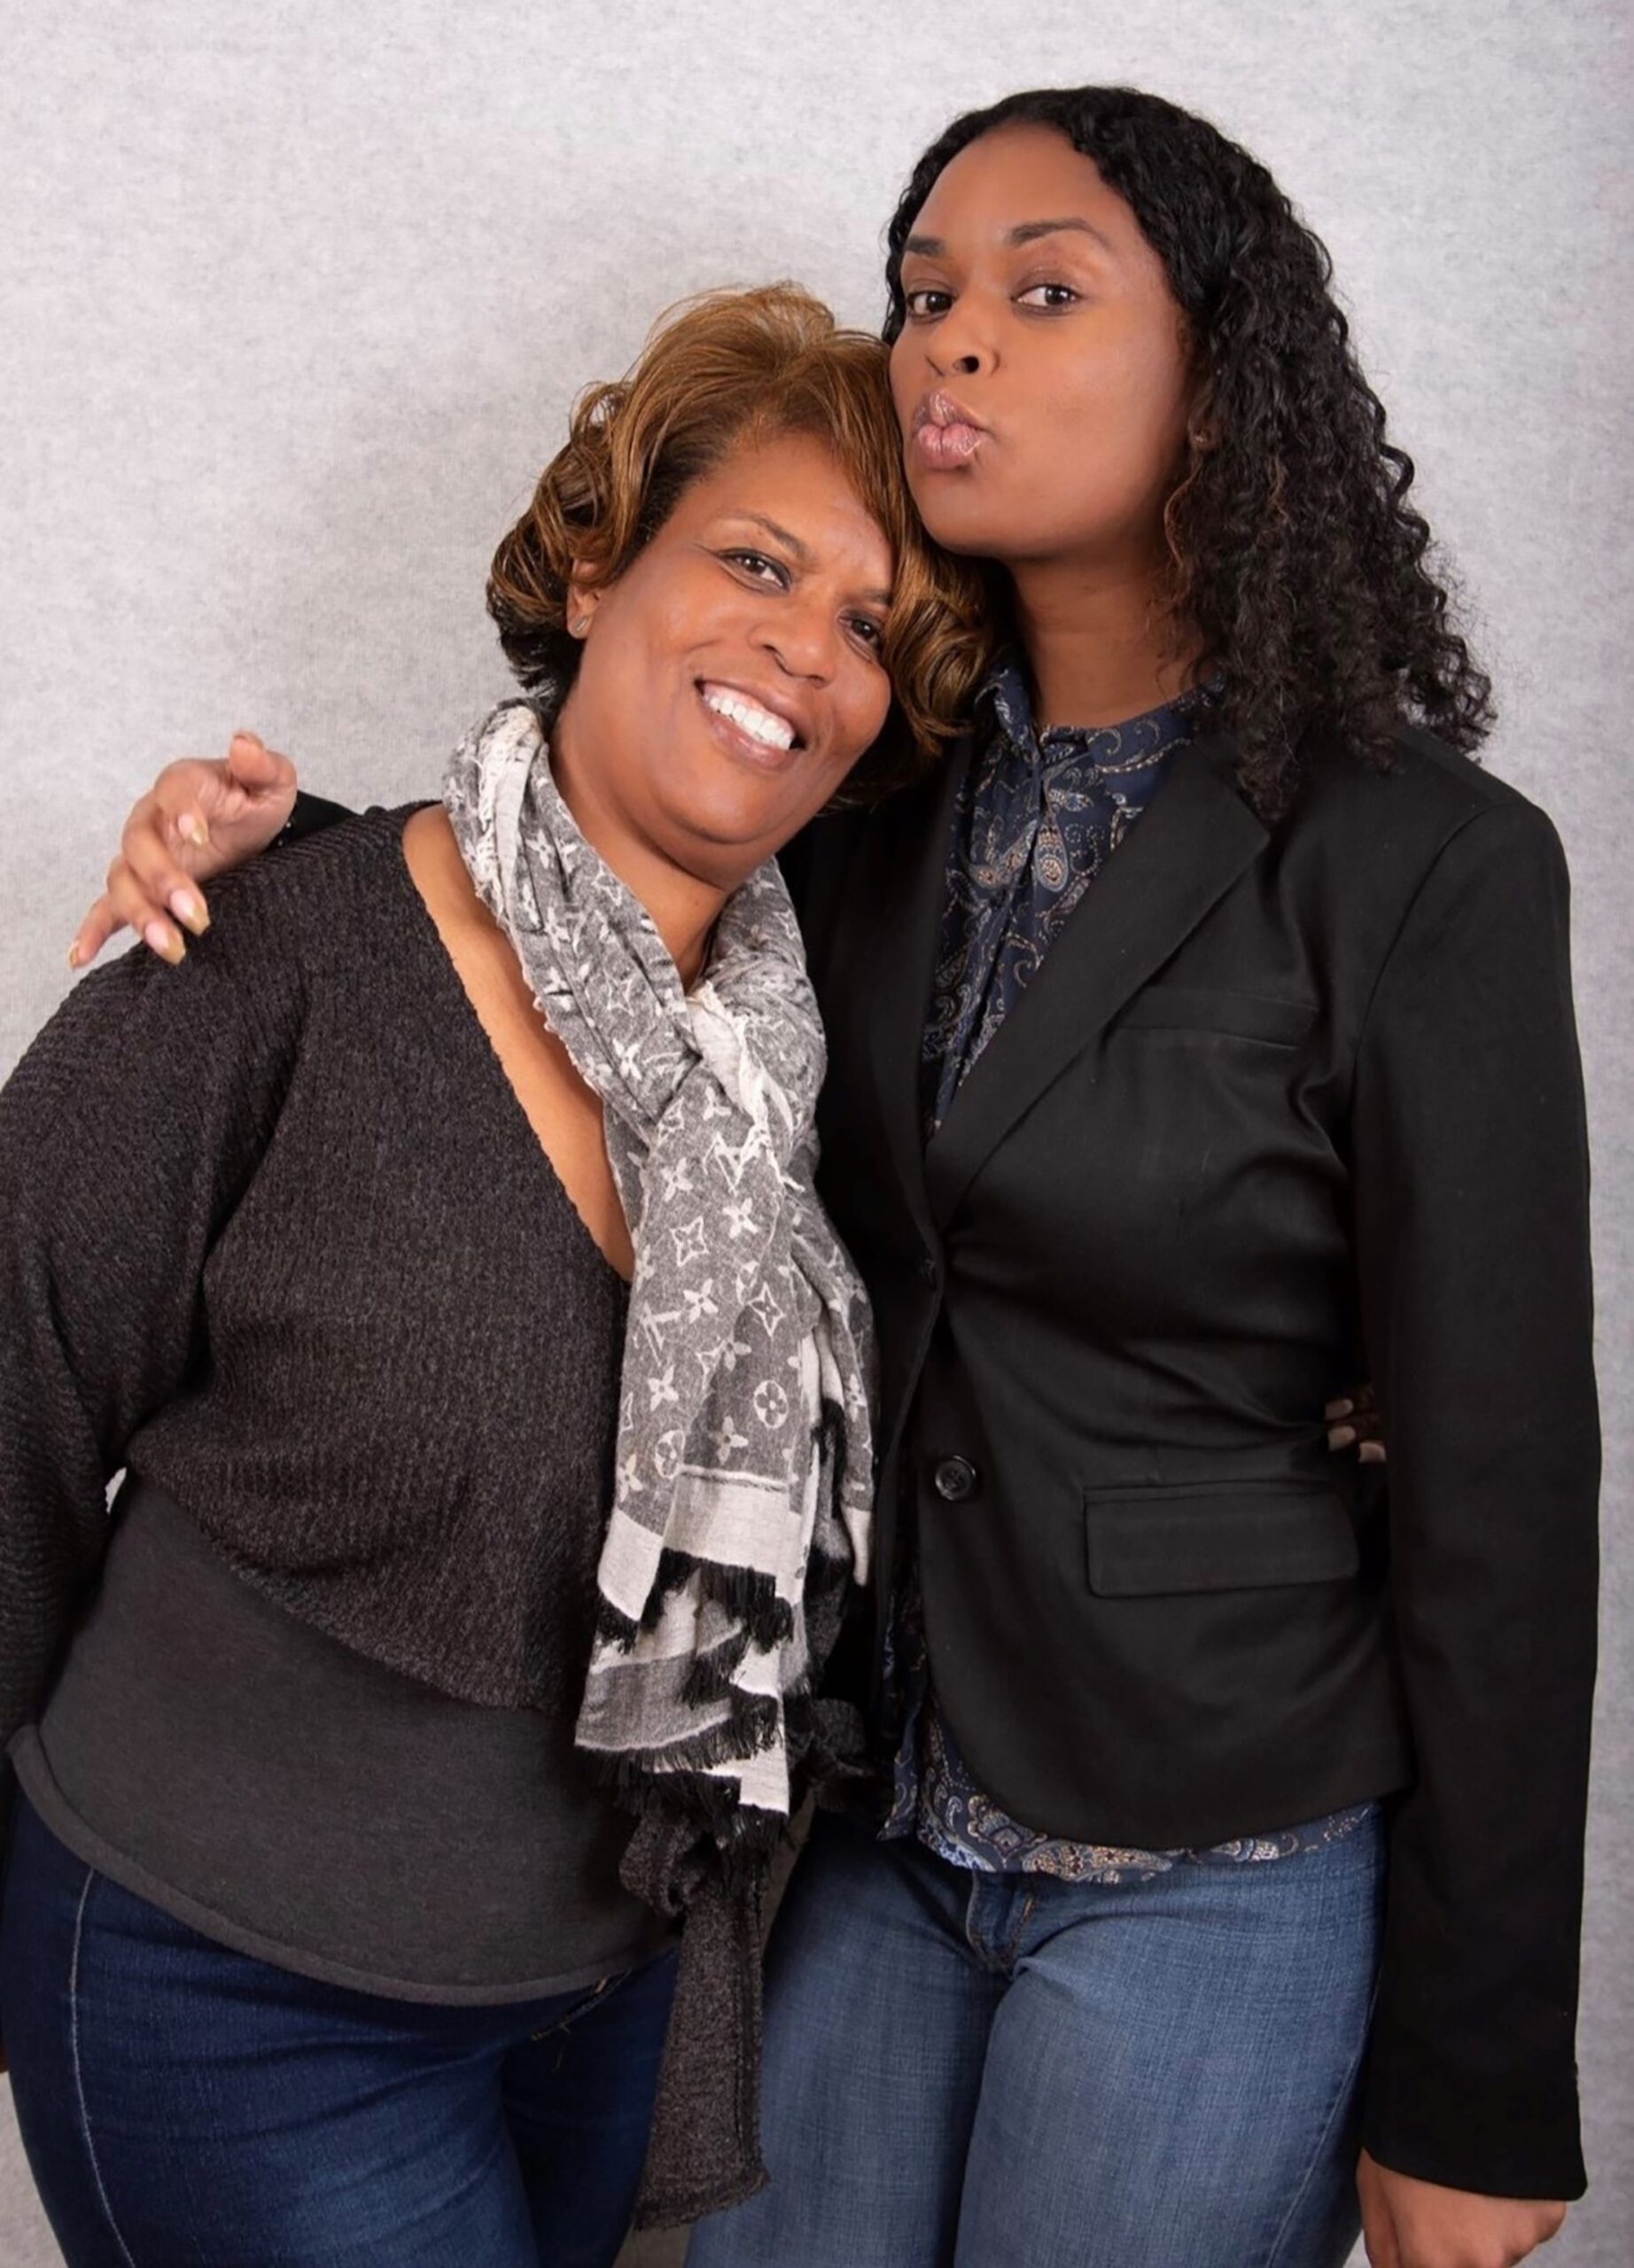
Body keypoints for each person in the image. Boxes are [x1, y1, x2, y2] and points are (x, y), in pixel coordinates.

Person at [73, 88, 1597, 2268]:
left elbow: (1507, 1495)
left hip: (1213, 1838)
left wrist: (1477, 2071)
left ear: (1221, 374)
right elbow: (587, 910)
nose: (952, 341)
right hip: (863, 1812)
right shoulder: (867, 800)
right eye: (925, 297)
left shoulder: (1420, 862)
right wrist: (273, 862)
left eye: (1041, 290)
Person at [0, 283, 991, 2268]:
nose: (804, 647)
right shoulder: (274, 947)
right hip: (233, 1996)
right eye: (756, 560)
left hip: (608, 2009)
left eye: (869, 625)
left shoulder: (802, 1074)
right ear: (600, 554)